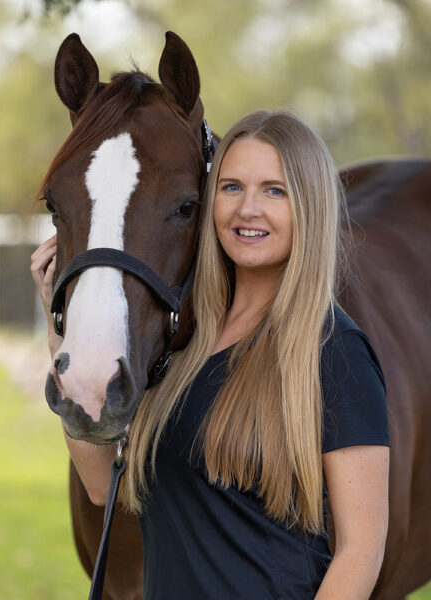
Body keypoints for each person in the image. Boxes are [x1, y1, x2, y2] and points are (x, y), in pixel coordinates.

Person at [31, 110, 390, 599]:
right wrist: (62, 334)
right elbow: (101, 486)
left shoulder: (334, 351)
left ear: (311, 207)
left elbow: (361, 551)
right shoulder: (182, 346)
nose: (248, 209)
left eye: (274, 190)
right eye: (232, 187)